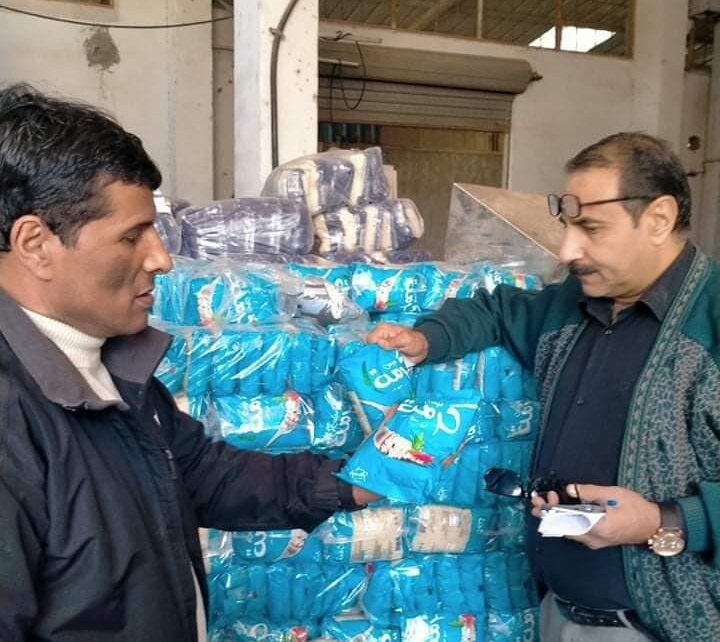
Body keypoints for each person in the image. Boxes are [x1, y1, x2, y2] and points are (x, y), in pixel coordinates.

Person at [0, 84, 376, 642]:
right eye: (132, 236)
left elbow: (199, 473)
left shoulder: (105, 363)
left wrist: (352, 482)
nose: (161, 257)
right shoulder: (13, 417)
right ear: (35, 244)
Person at [368, 133, 720, 642]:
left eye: (591, 228)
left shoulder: (708, 326)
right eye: (568, 225)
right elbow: (495, 309)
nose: (566, 249)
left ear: (659, 218)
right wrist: (426, 339)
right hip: (558, 614)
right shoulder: (572, 307)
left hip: (659, 629)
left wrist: (661, 520)